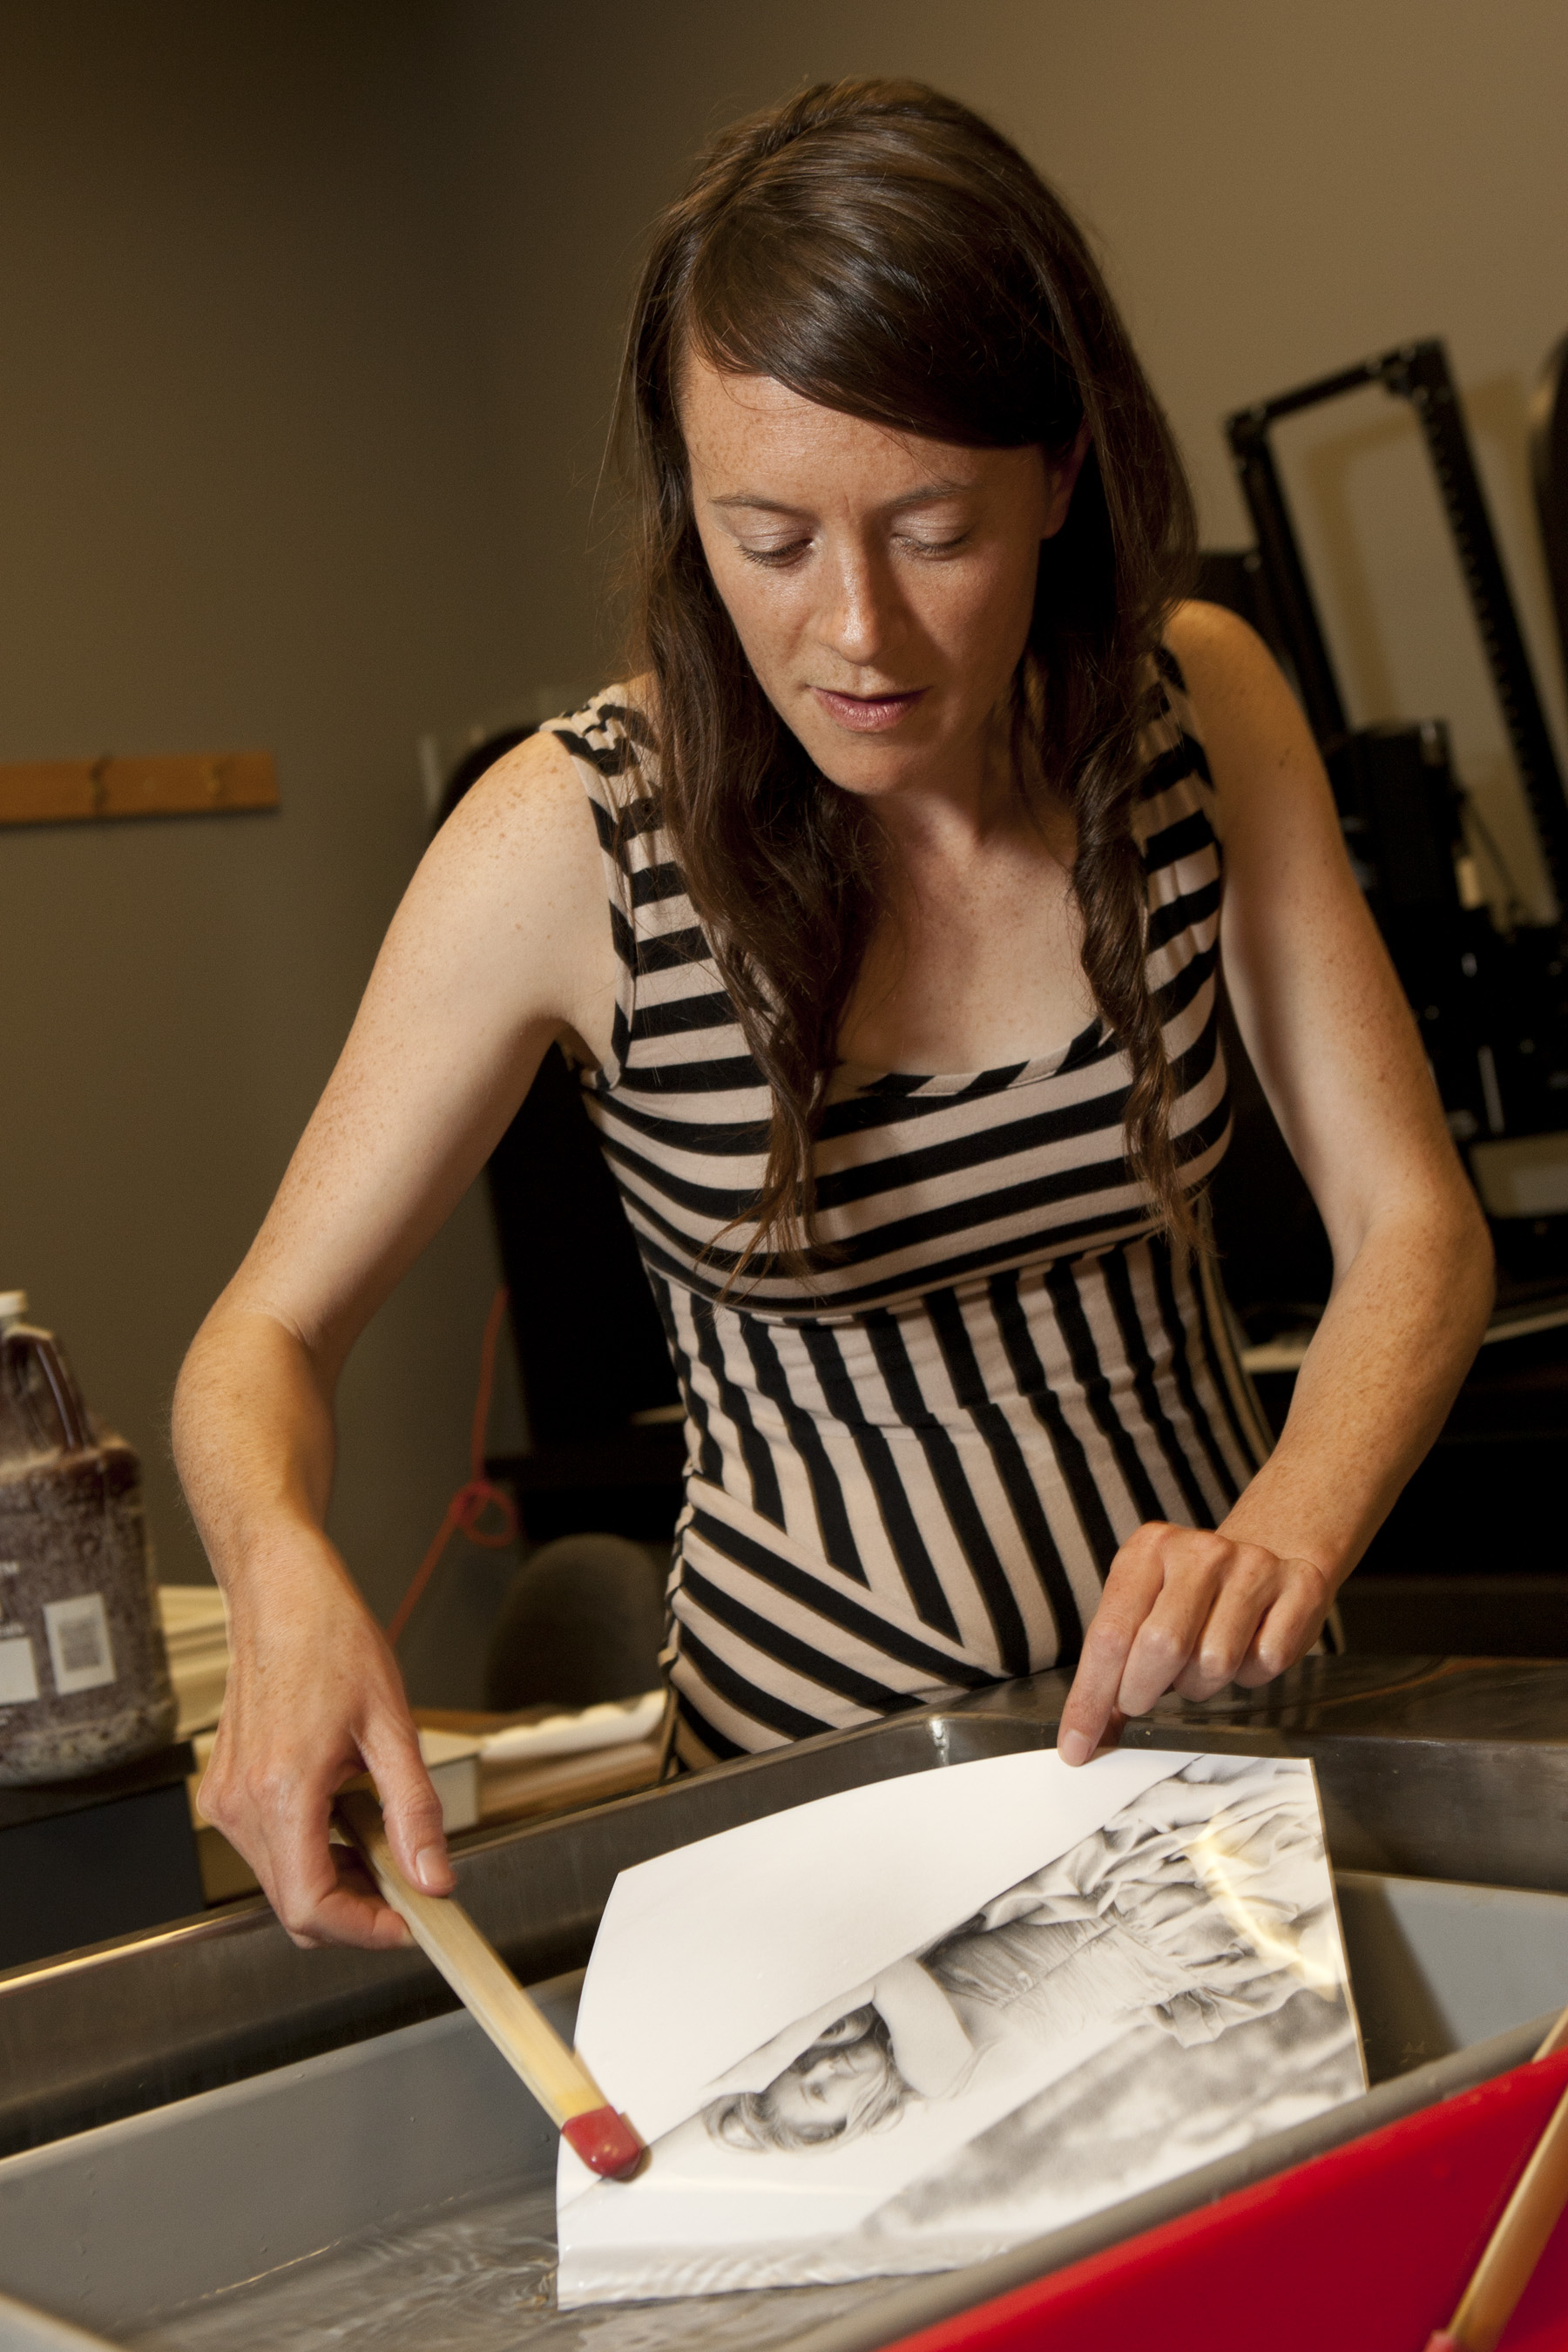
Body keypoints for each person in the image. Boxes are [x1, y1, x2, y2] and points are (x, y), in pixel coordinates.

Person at [172, 78, 1492, 1951]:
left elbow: (1414, 1223)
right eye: (771, 539)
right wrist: (281, 1569)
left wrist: (1290, 1527)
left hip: (1228, 1781)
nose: (857, 632)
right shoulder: (570, 839)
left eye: (934, 530)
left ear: (1059, 476)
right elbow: (261, 1337)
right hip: (809, 1834)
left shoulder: (1195, 712)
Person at [701, 1759, 1340, 2155]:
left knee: (1292, 1824)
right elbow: (887, 1977)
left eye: (804, 2065)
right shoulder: (936, 2074)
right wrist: (778, 2049)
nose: (824, 2066)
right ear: (850, 2120)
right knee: (1297, 1840)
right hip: (1160, 1927)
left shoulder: (912, 2046)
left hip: (1142, 1910)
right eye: (819, 2092)